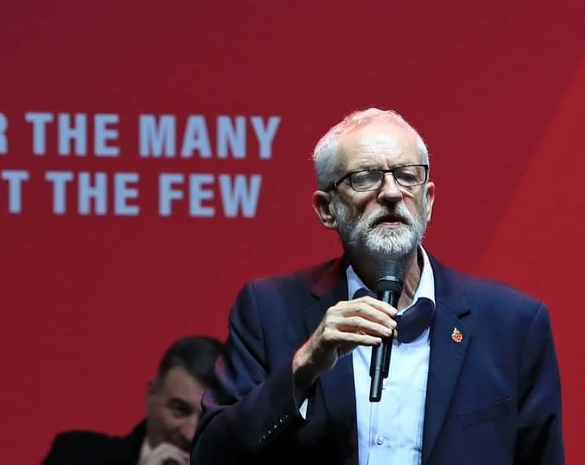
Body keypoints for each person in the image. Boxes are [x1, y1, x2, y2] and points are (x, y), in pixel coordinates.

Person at [191, 108, 563, 464]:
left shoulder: (514, 324)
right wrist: (304, 366)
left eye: (406, 175)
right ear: (326, 208)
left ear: (428, 200)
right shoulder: (268, 309)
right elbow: (211, 455)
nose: (390, 192)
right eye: (364, 177)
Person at [43, 336, 222, 465]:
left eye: (207, 417)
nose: (190, 434)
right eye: (179, 410)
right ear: (152, 393)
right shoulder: (75, 455)